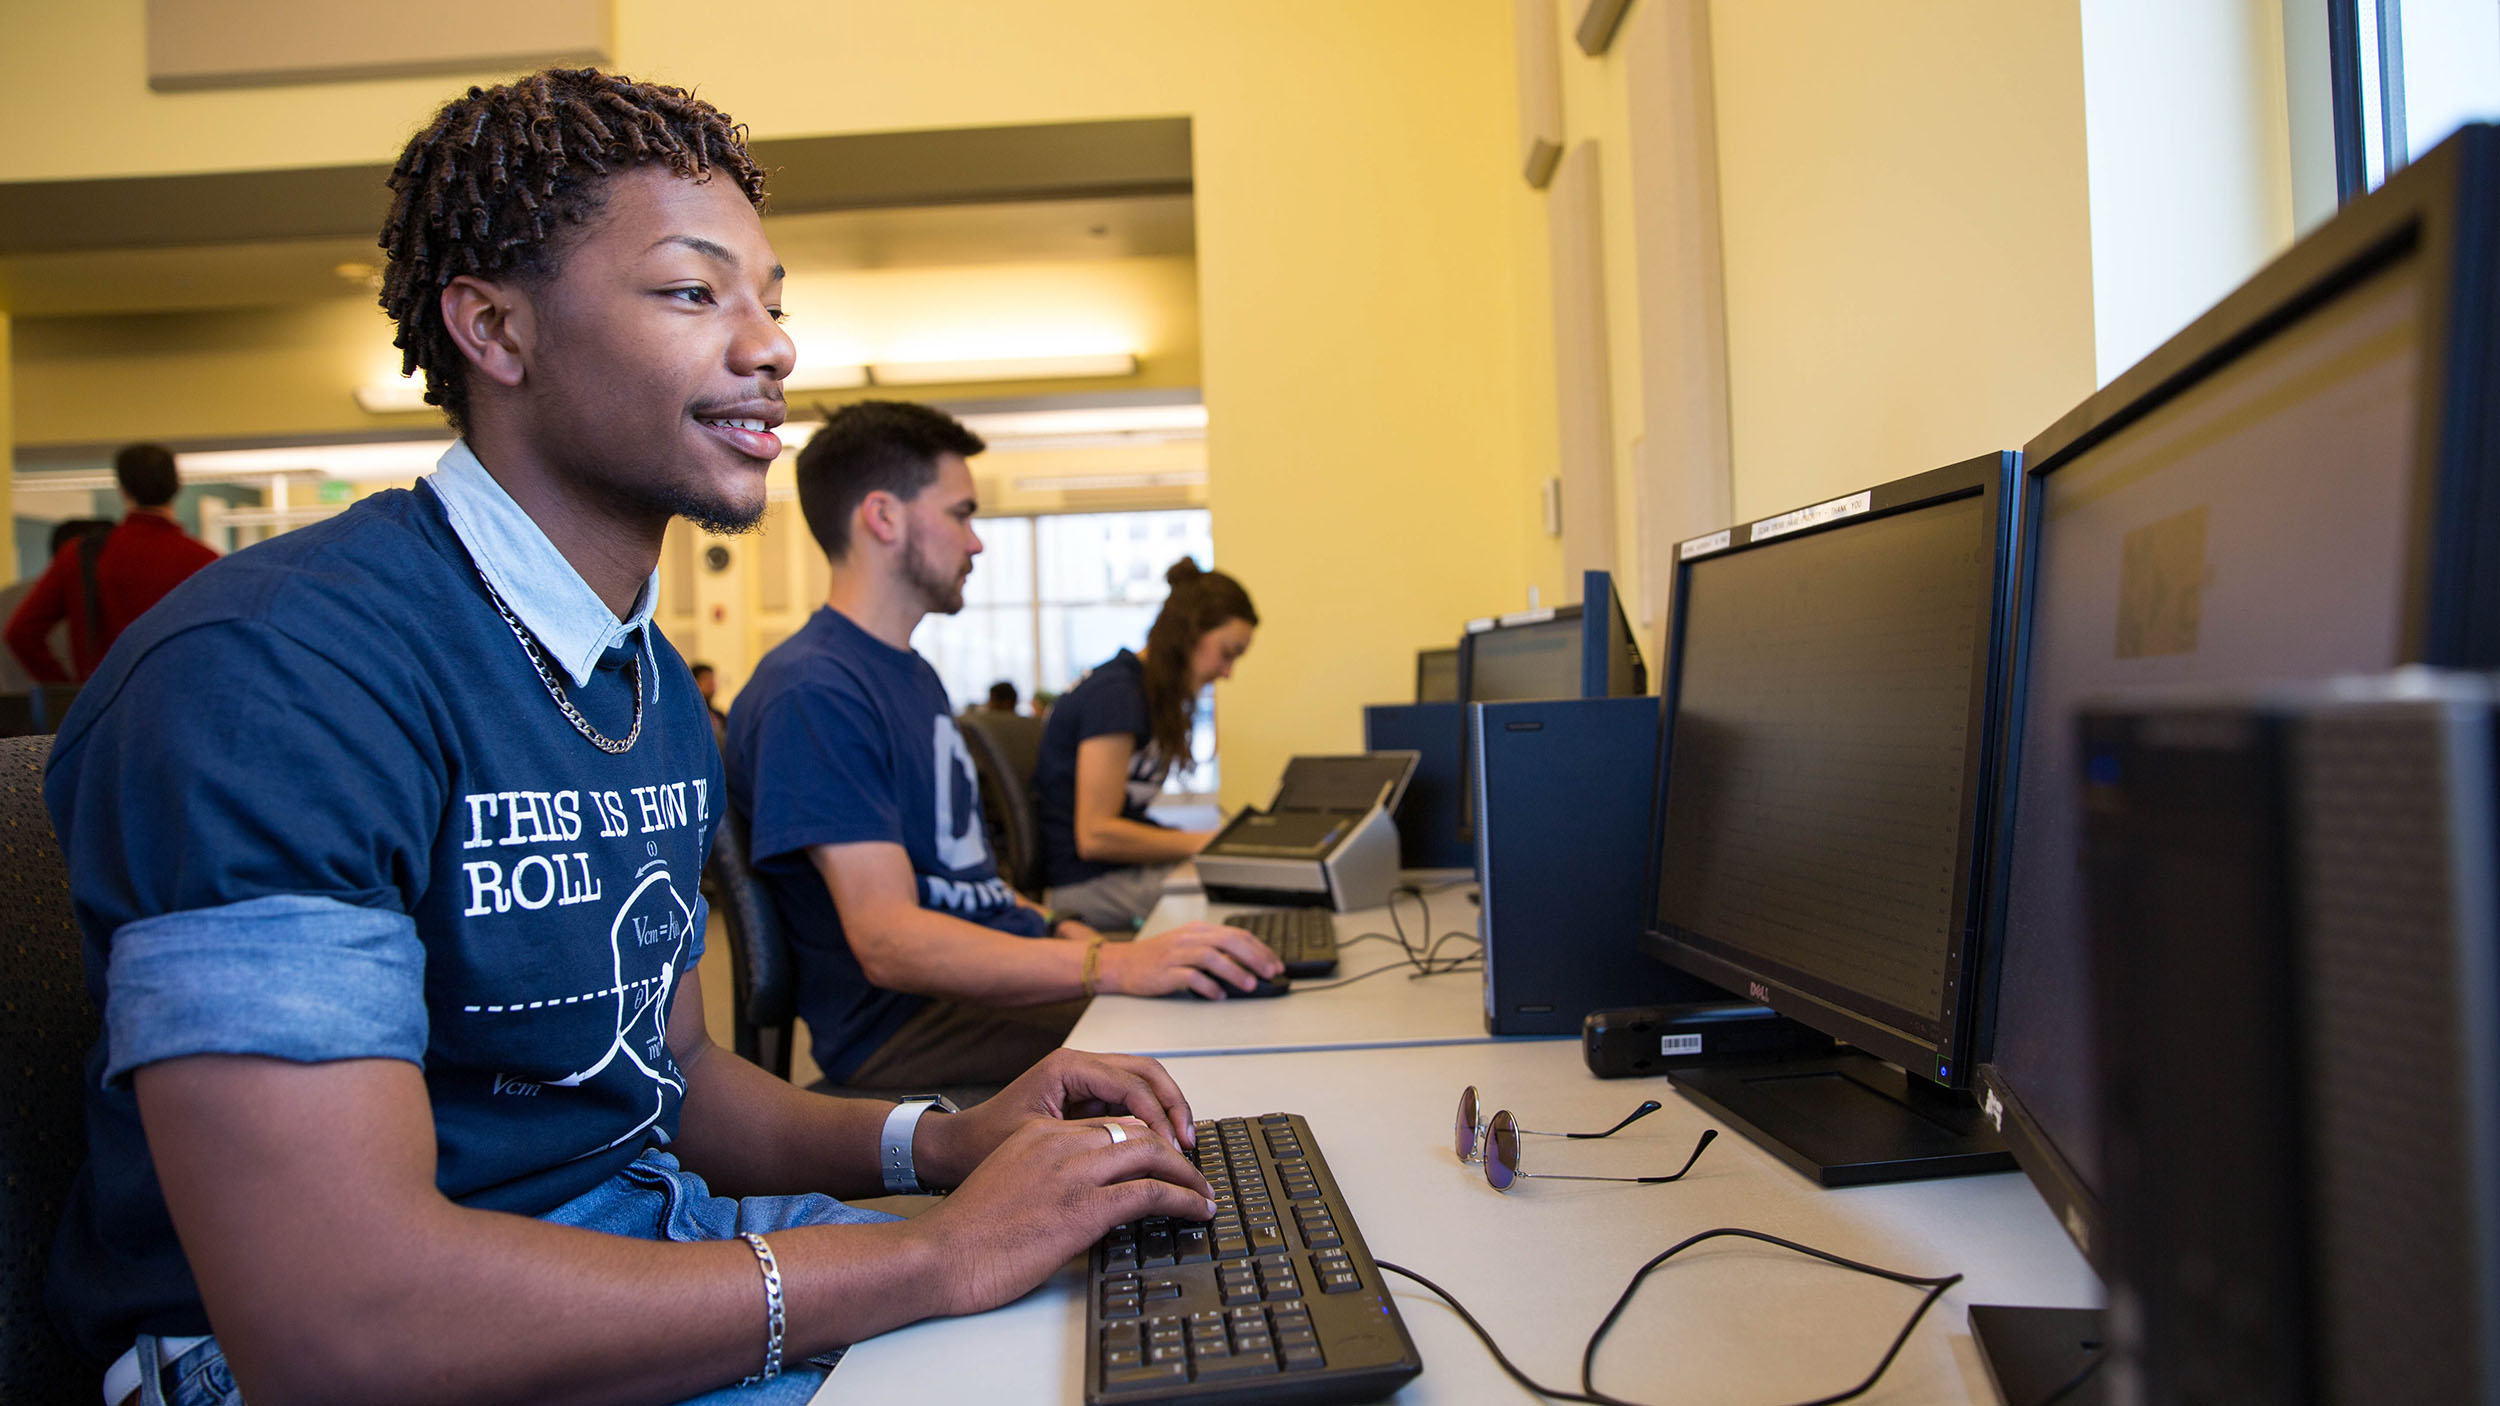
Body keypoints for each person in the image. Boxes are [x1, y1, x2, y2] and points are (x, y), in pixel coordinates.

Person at [43, 70, 1217, 1406]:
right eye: (691, 290)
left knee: (1160, 1304)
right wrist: (933, 1258)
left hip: (635, 1242)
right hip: (318, 1358)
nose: (771, 344)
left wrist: (944, 1147)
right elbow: (342, 1324)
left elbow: (680, 1082)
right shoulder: (276, 675)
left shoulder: (647, 680)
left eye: (773, 300)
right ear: (493, 326)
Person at [726, 401, 1282, 1092]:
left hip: (981, 991)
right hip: (910, 1029)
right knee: (1198, 1037)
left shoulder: (911, 676)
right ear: (884, 517)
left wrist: (1078, 937)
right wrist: (1113, 966)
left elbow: (974, 891)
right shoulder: (813, 693)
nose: (977, 542)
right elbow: (890, 942)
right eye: (962, 514)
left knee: (1214, 1001)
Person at [1034, 560, 1258, 929]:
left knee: (1237, 884)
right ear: (1190, 633)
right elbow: (1095, 836)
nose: (1227, 672)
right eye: (1227, 652)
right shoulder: (1116, 696)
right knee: (1239, 901)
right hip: (1083, 886)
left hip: (1114, 875)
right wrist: (1204, 842)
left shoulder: (1146, 695)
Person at [5, 445, 218, 684]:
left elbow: (21, 633)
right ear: (178, 486)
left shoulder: (80, 555)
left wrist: (69, 691)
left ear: (123, 490)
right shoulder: (206, 561)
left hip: (105, 705)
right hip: (181, 701)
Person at [0, 519, 111, 695]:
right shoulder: (81, 601)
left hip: (10, 708)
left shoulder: (7, 596)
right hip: (57, 710)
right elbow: (21, 635)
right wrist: (69, 693)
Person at [691, 661, 729, 749]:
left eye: (712, 679)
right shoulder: (692, 715)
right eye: (705, 679)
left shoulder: (719, 716)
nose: (711, 684)